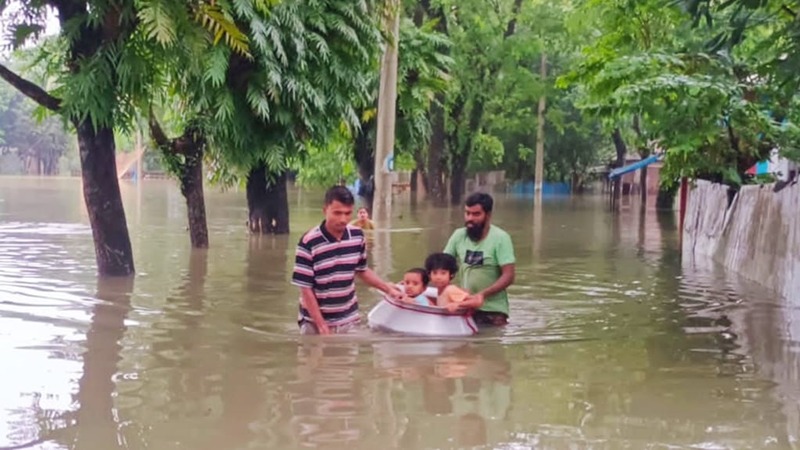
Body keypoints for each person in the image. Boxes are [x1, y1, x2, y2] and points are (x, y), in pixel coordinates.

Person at [291, 186, 402, 335]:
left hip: (349, 319)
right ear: (325, 210)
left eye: (347, 213)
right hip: (313, 323)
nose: (343, 219)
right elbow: (305, 288)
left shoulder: (357, 236)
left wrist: (388, 289)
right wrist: (322, 326)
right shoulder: (309, 242)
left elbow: (362, 270)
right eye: (337, 213)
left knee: (348, 358)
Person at [443, 192, 515, 326]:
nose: (470, 218)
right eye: (467, 213)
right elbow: (441, 266)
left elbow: (509, 276)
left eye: (476, 214)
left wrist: (482, 295)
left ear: (488, 215)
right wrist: (416, 282)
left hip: (493, 313)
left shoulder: (501, 238)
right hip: (465, 308)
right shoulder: (459, 236)